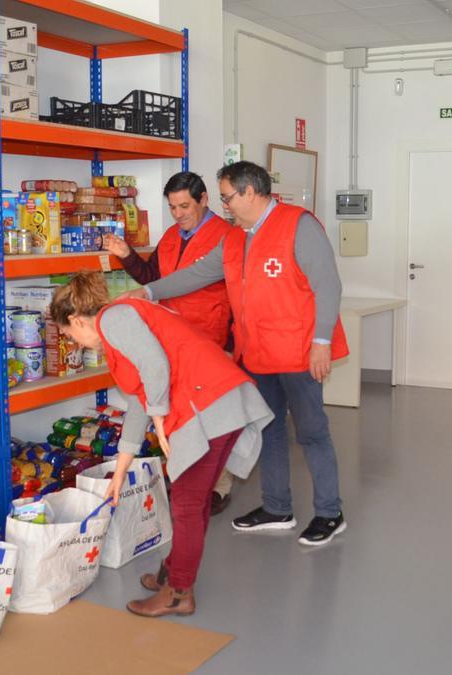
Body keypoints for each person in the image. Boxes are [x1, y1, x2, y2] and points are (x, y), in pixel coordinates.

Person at [126, 161, 350, 547]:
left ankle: (330, 513)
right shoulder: (235, 238)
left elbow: (328, 286)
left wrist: (322, 342)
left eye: (228, 197)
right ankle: (277, 508)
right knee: (269, 429)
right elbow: (197, 274)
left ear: (250, 192)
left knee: (312, 433)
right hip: (257, 353)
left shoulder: (299, 225)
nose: (225, 206)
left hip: (299, 353)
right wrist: (150, 292)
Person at [51, 271, 273, 617]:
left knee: (185, 502)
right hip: (217, 400)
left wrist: (160, 419)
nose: (75, 343)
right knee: (193, 498)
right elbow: (140, 400)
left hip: (210, 404)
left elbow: (156, 368)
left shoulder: (115, 318)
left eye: (69, 334)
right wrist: (120, 472)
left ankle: (178, 593)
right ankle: (174, 572)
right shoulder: (118, 333)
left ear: (77, 319)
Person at [103, 171, 238, 515]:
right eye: (173, 207)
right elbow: (152, 279)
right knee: (180, 418)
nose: (178, 214)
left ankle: (218, 487)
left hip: (210, 338)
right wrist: (127, 255)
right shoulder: (170, 238)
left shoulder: (226, 237)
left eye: (184, 206)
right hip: (171, 339)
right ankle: (188, 482)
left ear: (203, 200)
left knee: (211, 419)